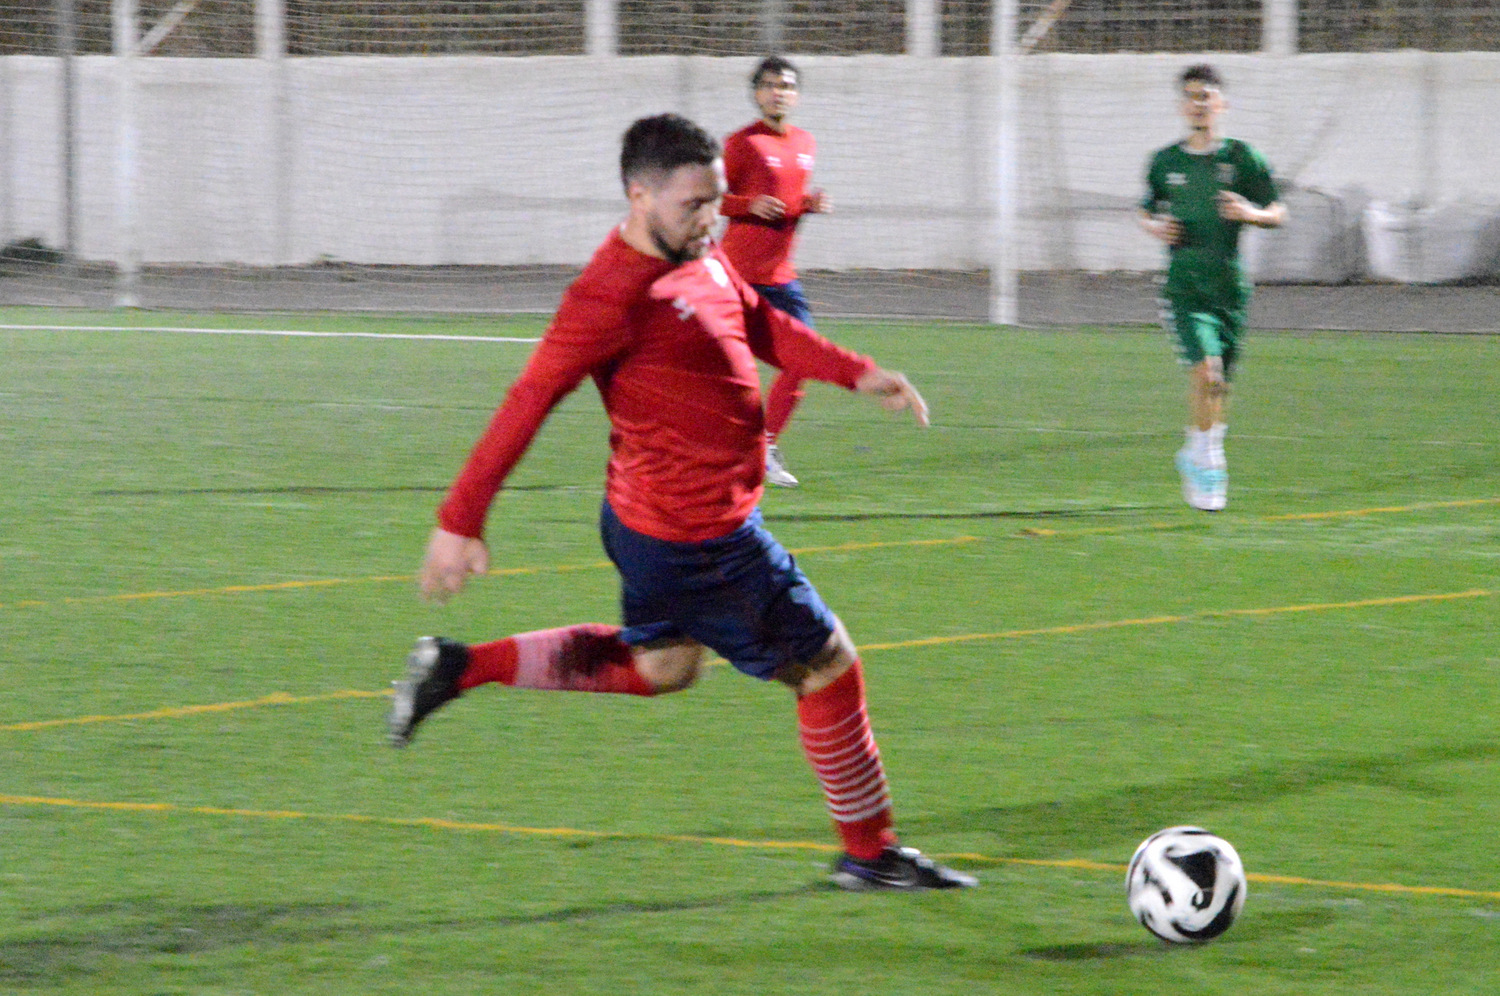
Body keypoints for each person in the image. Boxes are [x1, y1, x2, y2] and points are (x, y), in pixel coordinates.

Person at [387, 113, 976, 893]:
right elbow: (529, 397)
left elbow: (759, 322)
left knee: (662, 666)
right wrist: (460, 521)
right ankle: (870, 853)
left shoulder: (705, 255)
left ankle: (460, 667)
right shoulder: (608, 295)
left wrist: (854, 371)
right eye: (692, 205)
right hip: (702, 536)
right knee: (829, 666)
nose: (709, 220)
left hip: (651, 523)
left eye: (716, 202)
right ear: (639, 196)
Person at [1139, 63, 1286, 512]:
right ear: (1182, 105)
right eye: (1191, 95)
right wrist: (1157, 228)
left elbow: (1278, 210)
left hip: (1229, 289)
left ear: (1221, 104)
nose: (1198, 103)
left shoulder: (1242, 159)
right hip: (1185, 286)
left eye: (1206, 96)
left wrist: (1251, 213)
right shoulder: (1166, 163)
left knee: (1218, 385)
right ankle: (1209, 462)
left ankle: (1196, 448)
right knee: (1207, 371)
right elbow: (1146, 212)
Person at [719, 55, 832, 488]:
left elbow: (788, 203)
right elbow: (711, 199)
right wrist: (746, 205)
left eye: (785, 85)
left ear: (796, 94)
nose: (776, 91)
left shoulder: (805, 142)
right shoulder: (741, 143)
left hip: (781, 277)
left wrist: (809, 205)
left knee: (803, 360)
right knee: (722, 372)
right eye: (768, 85)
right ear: (756, 93)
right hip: (737, 276)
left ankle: (763, 447)